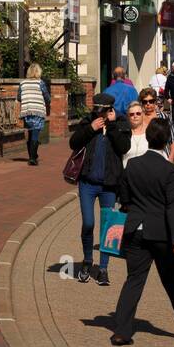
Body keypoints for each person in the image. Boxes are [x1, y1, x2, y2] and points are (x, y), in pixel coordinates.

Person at [110, 118, 174, 345]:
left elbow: (125, 198)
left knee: (134, 281)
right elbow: (173, 206)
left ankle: (121, 331)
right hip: (161, 233)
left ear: (149, 138)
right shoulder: (170, 170)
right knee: (173, 281)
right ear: (167, 142)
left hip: (135, 230)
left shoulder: (132, 165)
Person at [69, 93, 130, 287]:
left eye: (102, 110)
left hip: (109, 184)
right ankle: (87, 261)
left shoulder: (120, 122)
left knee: (108, 226)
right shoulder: (88, 121)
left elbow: (124, 147)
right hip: (87, 182)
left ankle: (103, 268)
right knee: (88, 223)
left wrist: (111, 126)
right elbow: (74, 143)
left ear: (110, 109)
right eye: (96, 109)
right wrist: (90, 129)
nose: (98, 113)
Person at [17, 63, 50, 166]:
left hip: (27, 111)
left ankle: (33, 155)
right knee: (35, 133)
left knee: (31, 132)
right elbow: (47, 97)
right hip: (38, 110)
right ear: (38, 72)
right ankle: (32, 158)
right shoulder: (40, 83)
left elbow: (19, 97)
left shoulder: (22, 84)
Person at [138, 87, 174, 162]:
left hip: (163, 157)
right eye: (145, 102)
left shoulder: (164, 117)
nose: (148, 104)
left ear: (155, 101)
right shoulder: (139, 118)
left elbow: (173, 140)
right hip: (143, 159)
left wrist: (171, 158)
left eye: (151, 101)